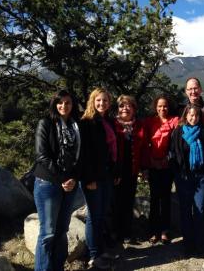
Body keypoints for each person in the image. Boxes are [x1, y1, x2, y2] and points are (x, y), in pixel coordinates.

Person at [33, 90, 81, 271]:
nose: (64, 106)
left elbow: (80, 157)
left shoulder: (76, 126)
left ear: (72, 105)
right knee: (48, 232)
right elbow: (41, 155)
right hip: (48, 184)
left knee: (62, 231)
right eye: (60, 102)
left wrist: (74, 178)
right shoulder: (45, 123)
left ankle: (57, 267)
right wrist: (62, 178)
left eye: (68, 102)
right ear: (54, 104)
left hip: (70, 184)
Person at [80, 88, 119, 269]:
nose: (102, 104)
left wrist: (115, 172)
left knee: (101, 214)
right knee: (93, 216)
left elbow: (112, 150)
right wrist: (89, 178)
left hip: (106, 175)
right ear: (92, 101)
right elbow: (84, 153)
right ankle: (93, 255)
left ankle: (99, 250)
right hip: (93, 177)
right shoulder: (87, 123)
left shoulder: (108, 121)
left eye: (105, 101)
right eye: (98, 101)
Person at [169, 104, 204, 257]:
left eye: (196, 116)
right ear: (185, 116)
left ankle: (200, 245)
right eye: (191, 115)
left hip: (201, 177)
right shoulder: (178, 132)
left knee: (200, 210)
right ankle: (188, 245)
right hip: (184, 177)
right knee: (186, 210)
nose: (193, 118)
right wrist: (178, 173)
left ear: (200, 117)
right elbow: (173, 154)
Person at [143, 95, 179, 244]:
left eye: (165, 106)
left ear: (168, 107)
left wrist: (166, 159)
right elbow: (144, 143)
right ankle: (153, 230)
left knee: (165, 197)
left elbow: (177, 143)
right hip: (152, 165)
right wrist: (149, 163)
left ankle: (165, 230)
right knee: (154, 198)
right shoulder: (149, 122)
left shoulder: (174, 121)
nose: (162, 108)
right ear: (155, 107)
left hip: (167, 165)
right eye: (159, 106)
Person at [113, 95, 146, 243]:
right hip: (115, 172)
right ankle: (114, 233)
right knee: (114, 202)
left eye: (129, 106)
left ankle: (126, 232)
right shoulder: (112, 124)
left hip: (131, 170)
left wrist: (144, 168)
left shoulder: (138, 125)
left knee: (128, 202)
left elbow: (144, 148)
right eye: (122, 106)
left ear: (134, 109)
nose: (125, 108)